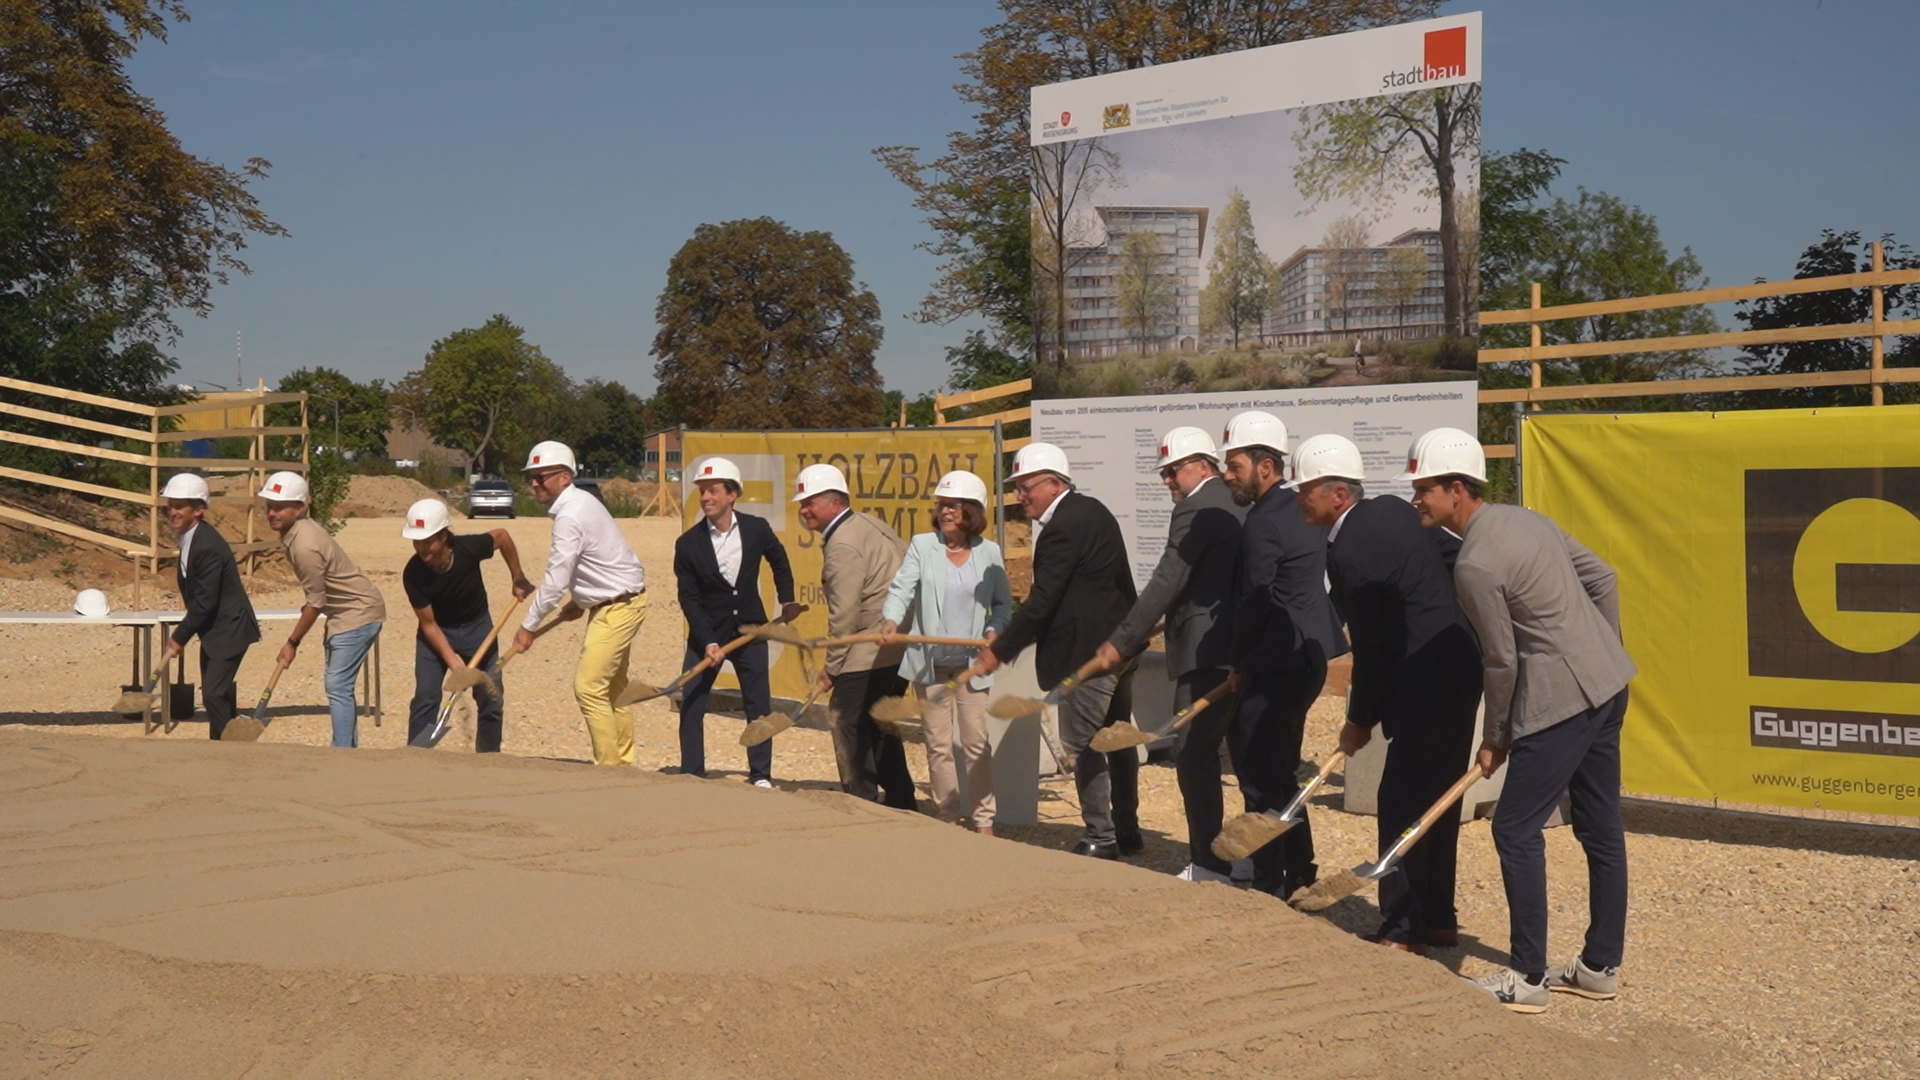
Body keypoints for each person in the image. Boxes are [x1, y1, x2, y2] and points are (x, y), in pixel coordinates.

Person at [1405, 427, 1637, 1014]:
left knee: (1513, 829)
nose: (1416, 500)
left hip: (1562, 702)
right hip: (1609, 683)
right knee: (1600, 828)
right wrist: (1599, 649)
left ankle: (1528, 977)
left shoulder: (1475, 562)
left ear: (1457, 489)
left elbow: (1502, 658)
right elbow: (1603, 577)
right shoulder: (1527, 520)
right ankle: (1599, 967)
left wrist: (1496, 737)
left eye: (1424, 489)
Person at [1292, 434, 1483, 955]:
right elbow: (1453, 555)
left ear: (1337, 497)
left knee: (1400, 803)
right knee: (1436, 802)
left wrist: (1360, 719)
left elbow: (1371, 649)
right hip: (1459, 668)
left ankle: (1403, 929)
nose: (1297, 499)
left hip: (1423, 681)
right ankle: (1438, 919)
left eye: (1304, 490)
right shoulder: (1395, 512)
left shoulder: (1352, 552)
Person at [1093, 427, 1247, 881]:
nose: (1167, 481)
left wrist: (1123, 638)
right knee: (1245, 755)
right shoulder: (1240, 501)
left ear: (1202, 466)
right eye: (1164, 472)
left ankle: (1209, 862)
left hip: (1206, 652)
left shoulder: (1195, 508)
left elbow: (1168, 578)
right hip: (1245, 649)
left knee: (1194, 752)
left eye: (1172, 470)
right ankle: (1257, 858)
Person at [977, 443, 1141, 859]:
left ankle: (1101, 837)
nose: (1020, 495)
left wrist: (1003, 648)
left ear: (1054, 483)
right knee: (1117, 738)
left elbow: (1043, 601)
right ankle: (1126, 829)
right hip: (1119, 647)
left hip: (1087, 656)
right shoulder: (1093, 511)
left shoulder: (1061, 529)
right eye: (1017, 487)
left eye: (1026, 486)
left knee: (1083, 743)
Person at [1219, 412, 1348, 899]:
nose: (1227, 475)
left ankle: (1270, 884)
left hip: (1274, 662)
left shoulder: (1263, 522)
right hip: (1309, 656)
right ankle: (1300, 867)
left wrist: (1240, 659)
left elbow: (1255, 598)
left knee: (1258, 777)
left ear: (1266, 465)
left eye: (1235, 465)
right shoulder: (1302, 509)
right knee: (1282, 771)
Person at [880, 470, 1012, 834]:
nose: (945, 511)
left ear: (972, 510)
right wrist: (891, 621)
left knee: (975, 743)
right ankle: (948, 818)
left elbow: (1003, 605)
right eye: (941, 505)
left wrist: (991, 631)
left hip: (971, 666)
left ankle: (984, 820)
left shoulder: (990, 553)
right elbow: (901, 589)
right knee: (938, 745)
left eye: (953, 505)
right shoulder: (923, 546)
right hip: (930, 664)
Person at [511, 440, 648, 767]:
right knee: (614, 689)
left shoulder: (571, 515)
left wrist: (528, 625)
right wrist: (582, 600)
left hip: (618, 607)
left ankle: (609, 770)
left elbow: (556, 578)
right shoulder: (581, 503)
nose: (534, 483)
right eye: (531, 477)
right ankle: (624, 766)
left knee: (588, 688)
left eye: (541, 476)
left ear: (564, 477)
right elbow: (596, 560)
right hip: (617, 601)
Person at [673, 457, 801, 787]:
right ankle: (692, 772)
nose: (705, 497)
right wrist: (708, 641)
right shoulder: (687, 544)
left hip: (750, 632)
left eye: (713, 490)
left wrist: (786, 598)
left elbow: (779, 560)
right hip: (707, 635)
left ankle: (760, 775)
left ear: (733, 495)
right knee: (692, 701)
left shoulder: (756, 529)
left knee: (758, 705)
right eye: (702, 491)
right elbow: (689, 598)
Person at [794, 463, 916, 809]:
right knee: (881, 721)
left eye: (810, 503)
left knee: (844, 717)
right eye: (802, 504)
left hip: (867, 645)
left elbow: (843, 616)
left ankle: (861, 799)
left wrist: (832, 667)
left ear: (834, 502)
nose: (804, 511)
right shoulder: (870, 524)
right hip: (897, 642)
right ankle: (902, 800)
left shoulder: (842, 545)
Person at [260, 470, 386, 748]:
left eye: (279, 507)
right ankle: (347, 750)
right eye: (269, 506)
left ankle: (341, 753)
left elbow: (315, 603)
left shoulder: (305, 544)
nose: (272, 513)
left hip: (358, 612)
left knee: (337, 685)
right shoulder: (297, 532)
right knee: (340, 685)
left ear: (300, 508)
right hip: (345, 613)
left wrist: (292, 642)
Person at [400, 498, 534, 751]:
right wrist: (452, 660)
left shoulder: (468, 548)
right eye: (416, 541)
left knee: (490, 695)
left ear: (444, 536)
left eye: (428, 540)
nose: (421, 548)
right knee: (427, 695)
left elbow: (502, 537)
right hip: (437, 633)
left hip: (477, 628)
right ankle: (418, 757)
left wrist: (517, 577)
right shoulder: (413, 573)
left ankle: (487, 759)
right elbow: (428, 625)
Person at [161, 473, 260, 740]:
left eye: (179, 506)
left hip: (230, 629)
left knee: (213, 693)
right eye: (169, 506)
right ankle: (221, 746)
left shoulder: (207, 545)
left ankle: (231, 748)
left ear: (199, 509)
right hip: (214, 630)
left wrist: (179, 636)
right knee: (217, 692)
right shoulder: (190, 537)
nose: (172, 511)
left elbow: (205, 602)